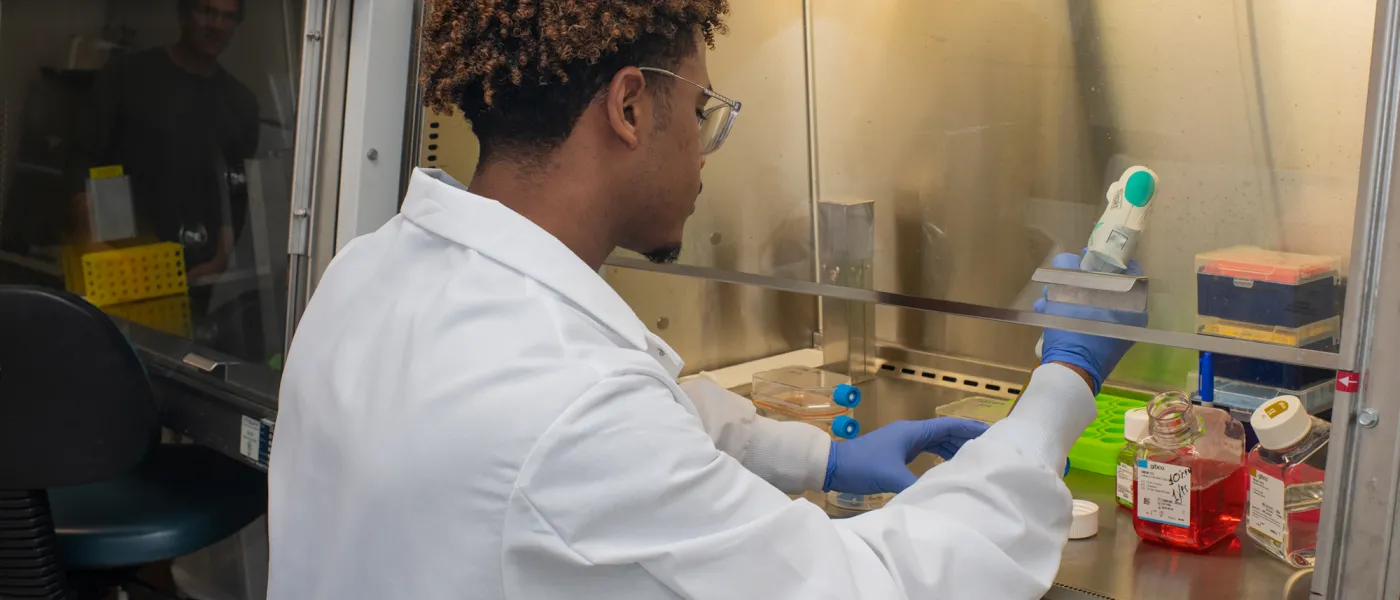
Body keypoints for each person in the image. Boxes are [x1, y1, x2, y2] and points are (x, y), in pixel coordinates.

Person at [267, 2, 1147, 599]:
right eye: (701, 111)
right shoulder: (569, 409)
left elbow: (634, 408)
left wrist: (819, 460)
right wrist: (1060, 389)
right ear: (628, 108)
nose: (705, 149)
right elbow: (872, 587)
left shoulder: (367, 275)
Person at [72, 0, 259, 279]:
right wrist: (95, 247)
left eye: (228, 17)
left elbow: (236, 193)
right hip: (118, 263)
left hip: (194, 275)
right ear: (184, 13)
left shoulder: (241, 103)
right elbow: (82, 162)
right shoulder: (126, 76)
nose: (217, 25)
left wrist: (220, 259)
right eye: (208, 12)